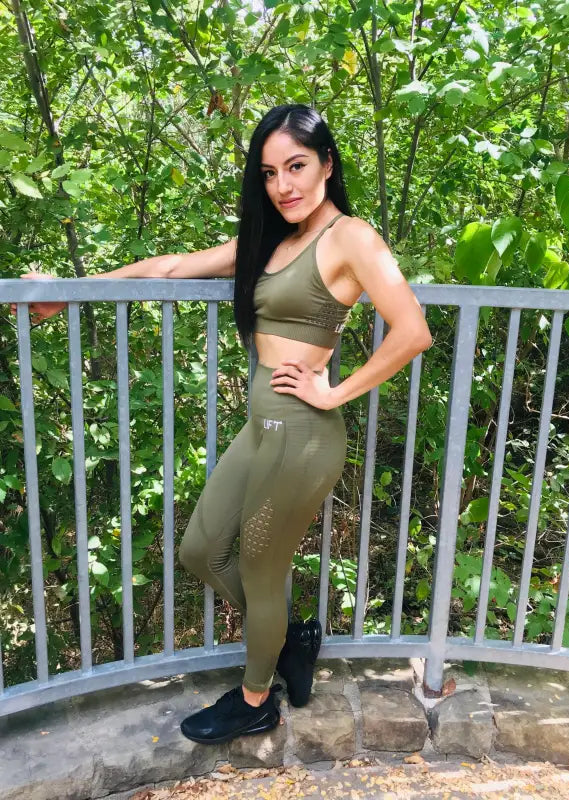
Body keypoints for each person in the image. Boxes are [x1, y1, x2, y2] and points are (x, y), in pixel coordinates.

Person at [9, 103, 432, 745]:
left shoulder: (351, 237)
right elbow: (173, 267)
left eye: (297, 166)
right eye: (269, 172)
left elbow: (413, 331)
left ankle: (256, 699)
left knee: (262, 571)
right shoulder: (270, 242)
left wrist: (335, 390)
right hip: (263, 426)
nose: (284, 185)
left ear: (327, 165)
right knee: (202, 550)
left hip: (304, 434)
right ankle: (291, 639)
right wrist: (71, 288)